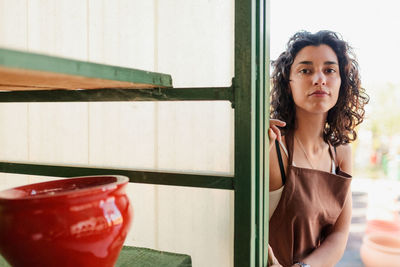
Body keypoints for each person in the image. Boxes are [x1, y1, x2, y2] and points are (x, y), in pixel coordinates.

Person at [267, 30, 369, 267]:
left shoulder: (341, 152)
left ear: (341, 82)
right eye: (306, 70)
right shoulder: (273, 145)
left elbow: (339, 233)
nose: (319, 79)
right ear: (288, 82)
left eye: (330, 70)